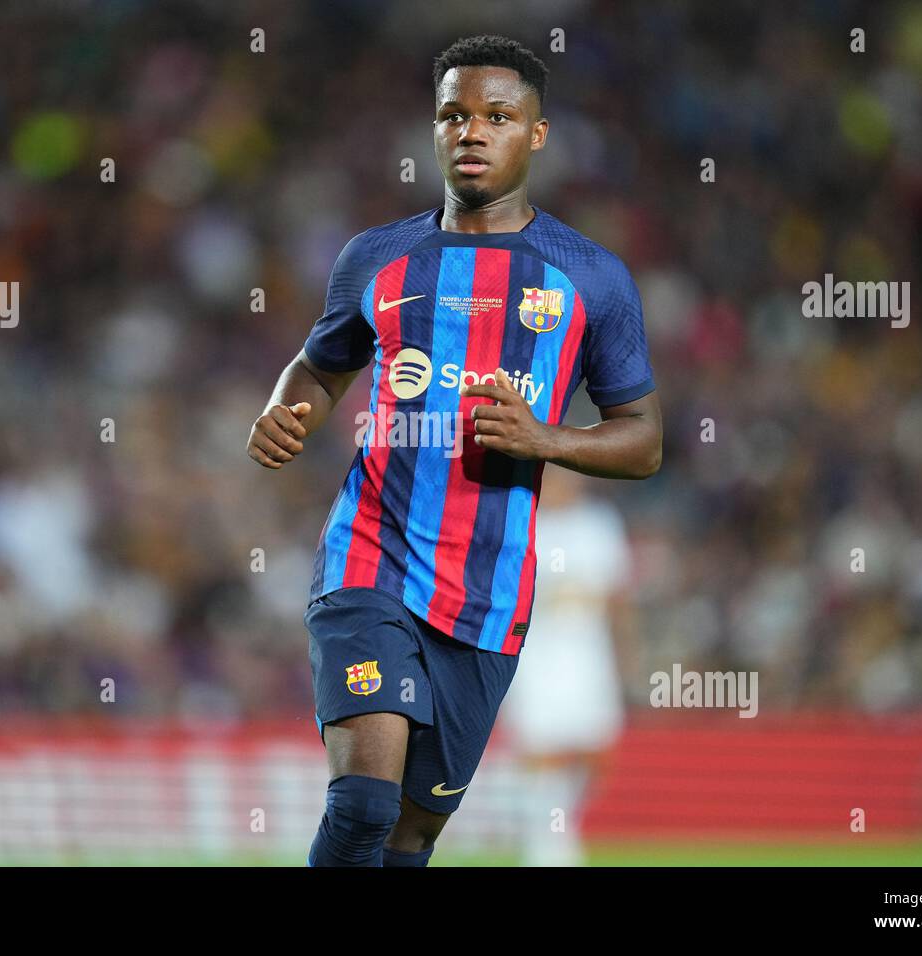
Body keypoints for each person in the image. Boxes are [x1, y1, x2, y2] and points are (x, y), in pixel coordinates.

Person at [246, 34, 662, 866]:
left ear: (536, 135)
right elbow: (319, 367)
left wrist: (546, 438)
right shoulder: (377, 257)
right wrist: (285, 409)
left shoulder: (591, 277)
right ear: (434, 131)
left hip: (486, 598)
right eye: (454, 114)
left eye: (498, 116)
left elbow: (644, 438)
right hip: (369, 562)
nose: (472, 131)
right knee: (363, 801)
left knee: (409, 835)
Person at [499, 466, 633, 866]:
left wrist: (627, 657)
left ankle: (557, 826)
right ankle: (548, 847)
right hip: (535, 656)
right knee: (540, 750)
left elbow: (618, 599)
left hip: (590, 656)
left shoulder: (600, 525)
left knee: (597, 751)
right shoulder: (521, 521)